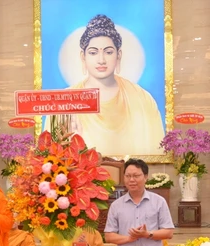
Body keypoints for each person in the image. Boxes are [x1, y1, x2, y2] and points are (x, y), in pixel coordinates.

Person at [66, 15, 164, 155]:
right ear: (83, 57)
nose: (101, 60)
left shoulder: (142, 99)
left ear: (118, 55)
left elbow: (157, 152)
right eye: (93, 52)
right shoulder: (66, 101)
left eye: (108, 52)